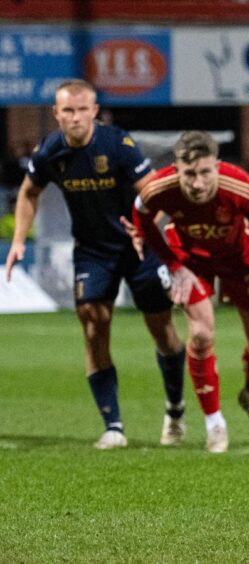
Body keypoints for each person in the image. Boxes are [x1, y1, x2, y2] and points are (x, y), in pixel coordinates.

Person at [4, 79, 186, 449]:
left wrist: (148, 228)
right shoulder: (50, 152)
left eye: (82, 110)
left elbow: (155, 194)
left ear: (94, 111)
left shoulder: (119, 145)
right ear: (56, 114)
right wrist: (20, 240)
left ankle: (175, 408)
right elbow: (28, 192)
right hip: (92, 251)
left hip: (138, 247)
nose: (75, 118)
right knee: (92, 322)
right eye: (67, 111)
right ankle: (113, 426)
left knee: (162, 330)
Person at [132, 130, 249, 453]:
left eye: (205, 172)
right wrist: (174, 265)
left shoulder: (240, 187)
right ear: (176, 169)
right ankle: (214, 423)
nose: (198, 183)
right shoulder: (160, 188)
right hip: (190, 262)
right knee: (200, 336)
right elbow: (140, 215)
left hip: (238, 260)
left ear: (217, 165)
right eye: (189, 174)